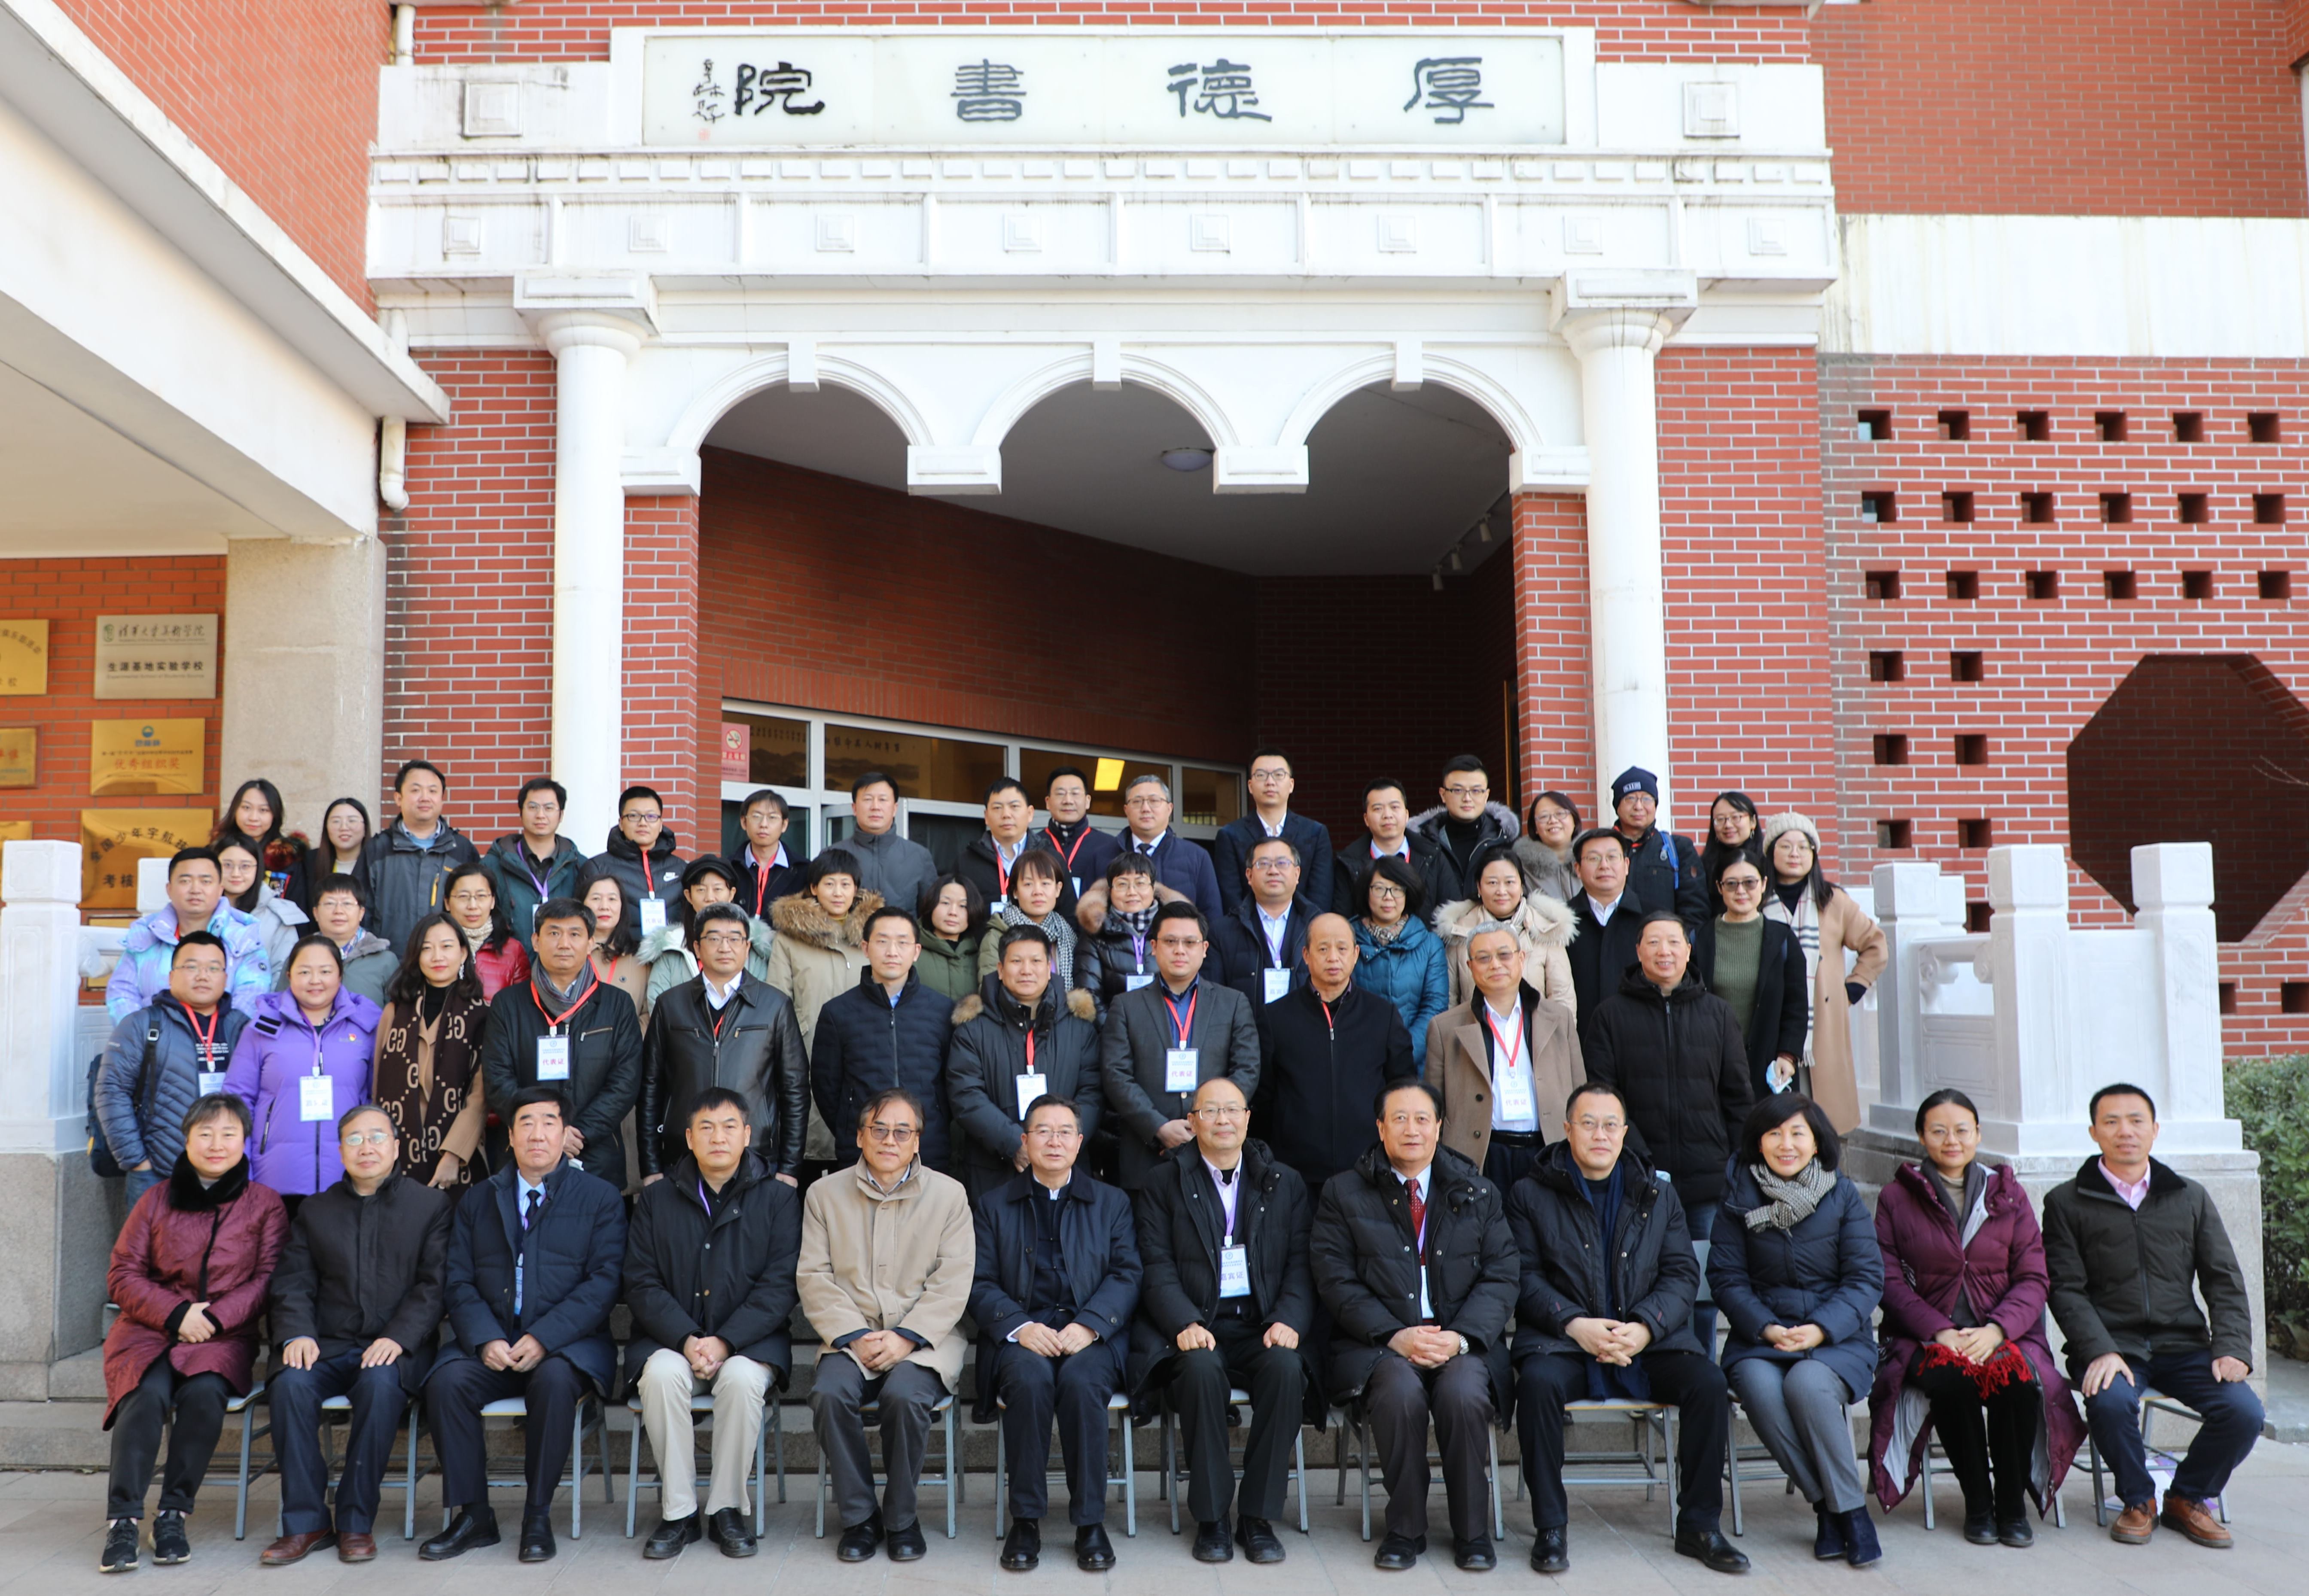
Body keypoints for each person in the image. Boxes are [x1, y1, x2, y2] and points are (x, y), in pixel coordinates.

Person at [1505, 1082, 1746, 1575]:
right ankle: (1551, 1527)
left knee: (1708, 1383)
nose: (1601, 1134)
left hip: (1649, 1342)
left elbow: (1682, 1274)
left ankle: (1699, 1525)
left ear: (1624, 1132)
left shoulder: (1657, 1191)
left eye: (1611, 1125)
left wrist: (1645, 1328)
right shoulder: (1530, 1193)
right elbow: (1522, 1277)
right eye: (1588, 1124)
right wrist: (1574, 1324)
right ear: (1567, 1129)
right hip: (1564, 1343)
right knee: (1537, 1385)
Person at [1310, 1080, 1518, 1572]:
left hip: (1461, 1341)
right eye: (1399, 1119)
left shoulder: (1477, 1191)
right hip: (1380, 1344)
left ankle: (1472, 1532)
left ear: (1439, 1127)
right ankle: (1406, 1529)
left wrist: (1460, 1337)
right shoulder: (1343, 1192)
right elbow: (1335, 1279)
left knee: (1463, 1394)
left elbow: (1503, 1274)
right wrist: (1394, 1335)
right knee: (1400, 1394)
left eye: (1422, 1119)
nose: (1412, 1129)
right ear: (1380, 1128)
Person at [2042, 1082, 2260, 1550]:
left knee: (2245, 1413)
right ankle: (2139, 1500)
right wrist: (2098, 1349)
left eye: (2137, 1120)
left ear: (2155, 1130)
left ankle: (2187, 1497)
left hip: (2183, 1344)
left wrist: (2232, 1348)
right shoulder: (2066, 1202)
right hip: (2112, 1345)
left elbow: (2223, 1279)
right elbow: (2065, 1288)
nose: (2126, 1131)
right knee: (2110, 1402)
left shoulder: (2190, 1197)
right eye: (2112, 1122)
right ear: (2094, 1132)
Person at [1867, 1088, 2084, 1547]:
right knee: (1953, 1383)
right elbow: (1888, 1280)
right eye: (1939, 1131)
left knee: (2018, 1385)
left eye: (1962, 1130)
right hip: (1926, 1338)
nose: (1952, 1140)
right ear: (1921, 1136)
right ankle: (1979, 1505)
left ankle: (2012, 1507)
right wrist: (1939, 1330)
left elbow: (2033, 1277)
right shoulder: (1896, 1198)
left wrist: (1997, 1329)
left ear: (1979, 1134)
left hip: (2004, 1334)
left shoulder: (2008, 1194)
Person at [420, 1087, 626, 1564]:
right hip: (493, 1341)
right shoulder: (478, 1199)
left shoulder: (600, 1198)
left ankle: (537, 1514)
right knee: (447, 1382)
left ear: (565, 1134)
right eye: (526, 1124)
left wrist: (545, 1337)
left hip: (567, 1345)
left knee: (553, 1381)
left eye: (549, 1123)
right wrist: (484, 1337)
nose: (537, 1134)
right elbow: (458, 1280)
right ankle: (474, 1515)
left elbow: (603, 1284)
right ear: (510, 1137)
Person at [97, 1091, 288, 1573]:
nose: (216, 1144)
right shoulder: (156, 1199)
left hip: (224, 1336)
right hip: (148, 1329)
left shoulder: (264, 1204)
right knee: (144, 1395)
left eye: (228, 1134)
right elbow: (122, 1274)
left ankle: (173, 1514)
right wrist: (177, 1313)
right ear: (186, 1141)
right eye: (205, 1133)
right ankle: (123, 1519)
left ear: (245, 1142)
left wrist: (215, 1319)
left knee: (205, 1395)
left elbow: (268, 1278)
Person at [1131, 1076, 1316, 1563]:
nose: (1223, 1120)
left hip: (1261, 1323)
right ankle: (1212, 1518)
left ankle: (1257, 1517)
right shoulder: (1163, 1182)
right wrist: (1183, 1322)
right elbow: (1155, 1265)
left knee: (1286, 1369)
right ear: (1192, 1122)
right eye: (1210, 1111)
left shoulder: (1283, 1182)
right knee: (1199, 1371)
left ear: (1248, 1118)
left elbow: (1302, 1262)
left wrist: (1289, 1317)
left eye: (1232, 1110)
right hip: (1197, 1324)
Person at [259, 1106, 452, 1566]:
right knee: (289, 1384)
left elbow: (435, 1285)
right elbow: (293, 1281)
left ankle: (354, 1521)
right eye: (355, 1139)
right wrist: (296, 1333)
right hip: (326, 1343)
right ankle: (306, 1522)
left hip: (394, 1346)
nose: (367, 1148)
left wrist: (400, 1337)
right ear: (340, 1150)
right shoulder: (316, 1210)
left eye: (377, 1137)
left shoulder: (430, 1206)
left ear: (397, 1147)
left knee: (380, 1385)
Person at [625, 1086, 804, 1560]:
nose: (718, 1138)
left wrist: (725, 1341)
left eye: (728, 1127)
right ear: (689, 1138)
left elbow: (781, 1285)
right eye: (706, 1128)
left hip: (750, 1342)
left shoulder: (778, 1199)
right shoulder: (657, 1198)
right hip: (671, 1341)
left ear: (748, 1134)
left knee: (742, 1379)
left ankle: (727, 1509)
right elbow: (641, 1282)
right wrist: (687, 1340)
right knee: (661, 1375)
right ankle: (679, 1513)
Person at [1706, 1093, 1886, 1567]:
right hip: (1761, 1339)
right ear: (1758, 1142)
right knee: (1760, 1389)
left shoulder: (1841, 1194)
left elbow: (1866, 1278)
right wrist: (1766, 1328)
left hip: (1837, 1338)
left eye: (1797, 1133)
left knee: (1808, 1384)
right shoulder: (1737, 1197)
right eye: (1774, 1134)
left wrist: (1821, 1329)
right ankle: (1831, 1506)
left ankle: (1850, 1513)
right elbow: (1726, 1278)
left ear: (1816, 1142)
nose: (1786, 1144)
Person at [800, 1088, 975, 1566]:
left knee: (904, 1396)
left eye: (902, 1132)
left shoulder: (949, 1195)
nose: (890, 1140)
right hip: (850, 1338)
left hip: (925, 1340)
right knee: (829, 1394)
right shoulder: (823, 1195)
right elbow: (814, 1276)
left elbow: (953, 1281)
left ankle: (901, 1518)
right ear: (860, 1136)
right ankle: (860, 1518)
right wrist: (855, 1336)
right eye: (879, 1129)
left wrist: (906, 1337)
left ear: (918, 1140)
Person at [970, 1095, 1141, 1574]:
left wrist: (1091, 1324)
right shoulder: (992, 1205)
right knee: (1029, 1382)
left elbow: (1127, 1274)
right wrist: (1020, 1326)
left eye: (1065, 1132)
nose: (1054, 1141)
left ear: (1080, 1143)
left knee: (1083, 1383)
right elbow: (979, 1282)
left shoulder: (1112, 1202)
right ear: (1024, 1142)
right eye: (1043, 1131)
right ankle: (1026, 1520)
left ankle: (1090, 1522)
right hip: (1024, 1332)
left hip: (1090, 1332)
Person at [1584, 911, 1752, 1349]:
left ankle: (1701, 1364)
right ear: (1638, 951)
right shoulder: (1610, 1016)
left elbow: (1738, 1097)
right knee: (1637, 1278)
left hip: (1707, 1176)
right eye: (1654, 943)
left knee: (1701, 1280)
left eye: (1674, 942)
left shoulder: (1717, 1013)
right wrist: (1639, 1157)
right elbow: (1605, 1097)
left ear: (1689, 950)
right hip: (1637, 1175)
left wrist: (1737, 1161)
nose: (1665, 952)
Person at [639, 901, 808, 1185]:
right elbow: (650, 1087)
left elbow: (795, 1089)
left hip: (757, 1157)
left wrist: (790, 1168)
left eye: (734, 939)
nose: (725, 947)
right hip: (682, 1156)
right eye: (714, 938)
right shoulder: (671, 1005)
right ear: (697, 947)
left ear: (747, 946)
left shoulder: (775, 1005)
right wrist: (651, 1165)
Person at [479, 897, 644, 1186]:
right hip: (525, 1155)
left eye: (575, 934)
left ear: (591, 943)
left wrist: (578, 1132)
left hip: (596, 1156)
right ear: (536, 940)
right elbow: (498, 1078)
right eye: (554, 933)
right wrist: (543, 1131)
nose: (564, 943)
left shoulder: (617, 1004)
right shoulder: (508, 1004)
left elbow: (625, 1081)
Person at [1100, 902, 1261, 1190]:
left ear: (1205, 948)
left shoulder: (1233, 1003)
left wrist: (1211, 1120)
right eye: (1170, 942)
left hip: (1216, 1150)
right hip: (1147, 1154)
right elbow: (1116, 1075)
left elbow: (1247, 1069)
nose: (1180, 950)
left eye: (1190, 942)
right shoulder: (1126, 1006)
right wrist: (1157, 1127)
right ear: (1153, 947)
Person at [1253, 912, 1416, 1195]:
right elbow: (1264, 1097)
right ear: (1306, 955)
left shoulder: (1383, 1015)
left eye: (1342, 948)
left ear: (1355, 954)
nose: (1333, 958)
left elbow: (1403, 1089)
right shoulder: (1276, 1017)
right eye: (1323, 948)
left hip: (1368, 1170)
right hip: (1295, 1174)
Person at [97, 932, 256, 1207]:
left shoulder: (241, 1026)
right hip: (158, 1170)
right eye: (192, 967)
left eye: (213, 968)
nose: (203, 976)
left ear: (225, 978)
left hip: (228, 1168)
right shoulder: (142, 1025)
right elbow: (112, 1091)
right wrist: (137, 1161)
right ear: (171, 977)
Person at [222, 936, 382, 1208]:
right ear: (289, 976)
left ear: (340, 976)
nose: (315, 981)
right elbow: (237, 1100)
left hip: (349, 1176)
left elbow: (376, 1098)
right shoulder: (262, 1028)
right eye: (305, 972)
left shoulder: (366, 1026)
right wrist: (241, 1166)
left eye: (325, 971)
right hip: (275, 1178)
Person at [947, 924, 1103, 1201]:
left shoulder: (1079, 1027)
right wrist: (1015, 1143)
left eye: (1036, 961)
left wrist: (1061, 1142)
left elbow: (1093, 1092)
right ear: (1000, 969)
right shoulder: (973, 1029)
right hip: (995, 1169)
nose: (1027, 970)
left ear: (1050, 967)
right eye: (1017, 961)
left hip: (1065, 1167)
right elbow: (966, 1095)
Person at [1427, 926, 1584, 1192]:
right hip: (1480, 1155)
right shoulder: (1445, 1028)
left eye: (1504, 955)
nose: (1495, 965)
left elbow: (1580, 1092)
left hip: (1548, 1150)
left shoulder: (1559, 1018)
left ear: (1522, 959)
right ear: (1470, 967)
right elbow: (1435, 1108)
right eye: (1484, 958)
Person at [1758, 814, 1887, 1133]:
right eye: (1786, 846)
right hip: (1771, 1017)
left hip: (1822, 1023)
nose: (1795, 854)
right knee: (1774, 1114)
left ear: (1814, 854)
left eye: (1804, 847)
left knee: (1824, 1117)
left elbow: (1875, 945)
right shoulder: (1757, 900)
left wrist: (1853, 988)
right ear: (1771, 852)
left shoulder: (1833, 901)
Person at [811, 905, 955, 1175]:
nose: (892, 952)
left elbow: (951, 1083)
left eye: (902, 943)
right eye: (882, 942)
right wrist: (853, 1125)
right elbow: (826, 1088)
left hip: (928, 1147)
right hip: (861, 1150)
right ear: (866, 948)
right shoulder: (837, 1012)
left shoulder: (942, 1010)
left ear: (917, 951)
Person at [765, 849, 881, 1172]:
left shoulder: (874, 937)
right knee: (807, 1155)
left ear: (857, 889)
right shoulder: (789, 939)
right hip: (805, 1052)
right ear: (814, 888)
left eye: (846, 884)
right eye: (830, 884)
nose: (838, 892)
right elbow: (777, 1002)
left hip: (865, 1053)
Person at [372, 912, 491, 1190]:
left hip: (458, 1156)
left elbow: (480, 1097)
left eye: (447, 946)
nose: (437, 956)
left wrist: (454, 1155)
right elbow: (378, 1088)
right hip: (398, 1152)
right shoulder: (394, 1012)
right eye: (427, 948)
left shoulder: (482, 1015)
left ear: (463, 953)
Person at [105, 846, 270, 1021]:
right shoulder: (145, 937)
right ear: (169, 889)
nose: (195, 890)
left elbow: (251, 998)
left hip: (221, 1037)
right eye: (185, 881)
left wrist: (214, 1034)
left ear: (220, 889)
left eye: (205, 881)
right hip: (152, 1035)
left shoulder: (243, 940)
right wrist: (140, 1032)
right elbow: (122, 993)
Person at [1694, 855, 1809, 1100]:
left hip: (1769, 1066)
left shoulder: (1783, 940)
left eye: (1750, 883)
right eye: (1731, 884)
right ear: (1719, 888)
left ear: (1764, 884)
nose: (1741, 891)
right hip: (1710, 1066)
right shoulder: (1699, 940)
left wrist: (1788, 1055)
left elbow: (1796, 1007)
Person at [1434, 839, 1576, 1015]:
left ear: (1522, 886)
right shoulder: (1461, 932)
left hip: (1535, 1032)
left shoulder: (1546, 930)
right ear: (1479, 887)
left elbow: (1563, 999)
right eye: (1492, 883)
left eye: (1509, 882)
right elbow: (1449, 1000)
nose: (1501, 891)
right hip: (1475, 1031)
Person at [354, 760, 480, 950]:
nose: (425, 798)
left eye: (433, 791)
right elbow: (360, 911)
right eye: (416, 790)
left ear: (442, 799)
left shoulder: (461, 849)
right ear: (398, 798)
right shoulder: (378, 849)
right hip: (390, 960)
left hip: (446, 959)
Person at [1348, 856, 1450, 1074]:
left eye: (1397, 890)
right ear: (1366, 892)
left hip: (1413, 1064)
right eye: (1379, 889)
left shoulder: (1430, 944)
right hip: (1358, 1061)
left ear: (1408, 893)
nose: (1388, 897)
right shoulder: (1346, 940)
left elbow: (1435, 1006)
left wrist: (1403, 1052)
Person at [1213, 748, 1335, 917]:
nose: (1270, 782)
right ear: (1250, 786)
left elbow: (1321, 896)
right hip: (1247, 928)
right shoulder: (1230, 835)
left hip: (1305, 929)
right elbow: (1231, 897)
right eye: (1261, 775)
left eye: (1278, 775)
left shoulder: (1315, 833)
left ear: (1291, 785)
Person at [641, 855, 772, 1013]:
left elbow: (763, 1004)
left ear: (732, 894)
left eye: (718, 889)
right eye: (701, 890)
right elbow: (659, 1006)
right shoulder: (671, 946)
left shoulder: (752, 945)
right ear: (689, 896)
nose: (710, 898)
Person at [975, 849, 1098, 1010]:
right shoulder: (998, 934)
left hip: (1063, 1021)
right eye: (1028, 884)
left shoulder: (1068, 935)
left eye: (1045, 884)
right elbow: (991, 995)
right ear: (1015, 891)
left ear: (1058, 889)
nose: (1038, 892)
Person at [1210, 836, 1316, 1009]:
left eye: (1282, 863)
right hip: (1244, 1026)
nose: (1273, 871)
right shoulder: (1222, 932)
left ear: (1297, 874)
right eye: (1264, 864)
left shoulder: (1319, 928)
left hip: (1306, 1025)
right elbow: (1213, 1000)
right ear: (1249, 875)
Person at [481, 777, 585, 952]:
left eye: (549, 808)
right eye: (533, 807)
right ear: (521, 812)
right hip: (510, 963)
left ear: (561, 815)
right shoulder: (492, 865)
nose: (540, 815)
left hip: (565, 962)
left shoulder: (579, 865)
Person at [579, 784, 688, 945]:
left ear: (661, 824)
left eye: (651, 817)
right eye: (634, 816)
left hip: (671, 954)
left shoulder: (681, 868)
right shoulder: (597, 867)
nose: (643, 823)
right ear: (621, 823)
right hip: (618, 954)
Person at [1407, 755, 1519, 909]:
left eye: (1476, 791)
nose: (1467, 798)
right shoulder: (1422, 842)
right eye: (1458, 790)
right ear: (1443, 794)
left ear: (1486, 795)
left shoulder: (1504, 839)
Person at [1605, 767, 1708, 933]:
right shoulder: (1601, 849)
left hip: (1663, 944)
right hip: (1614, 943)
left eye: (1646, 799)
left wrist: (1679, 942)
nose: (1639, 806)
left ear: (1655, 805)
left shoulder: (1679, 848)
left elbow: (1695, 909)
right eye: (1630, 799)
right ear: (1617, 806)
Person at [1333, 777, 1450, 921]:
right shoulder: (1348, 863)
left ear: (1407, 815)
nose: (1387, 815)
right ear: (1366, 819)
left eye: (1394, 807)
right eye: (1378, 809)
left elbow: (1450, 912)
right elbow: (1342, 921)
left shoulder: (1433, 855)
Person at [1563, 829, 1643, 1036]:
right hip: (1578, 1038)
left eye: (1612, 857)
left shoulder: (1652, 919)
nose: (1604, 865)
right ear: (1578, 869)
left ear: (1626, 865)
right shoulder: (1561, 922)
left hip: (1639, 1037)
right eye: (1594, 858)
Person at [1112, 773, 1223, 921]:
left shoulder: (1197, 856)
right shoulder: (1106, 853)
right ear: (1126, 810)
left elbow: (1213, 917)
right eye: (1137, 802)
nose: (1146, 808)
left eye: (1154, 801)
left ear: (1170, 809)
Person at [839, 770, 938, 918]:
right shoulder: (835, 854)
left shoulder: (919, 856)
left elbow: (931, 915)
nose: (875, 807)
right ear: (854, 808)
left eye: (883, 800)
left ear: (895, 808)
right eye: (868, 799)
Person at [217, 835, 309, 978]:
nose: (236, 874)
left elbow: (283, 973)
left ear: (258, 868)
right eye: (227, 865)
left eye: (245, 866)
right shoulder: (199, 911)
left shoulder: (278, 917)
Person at [213, 776, 312, 910]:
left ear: (275, 815)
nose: (254, 818)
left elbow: (298, 910)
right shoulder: (216, 853)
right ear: (235, 810)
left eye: (263, 810)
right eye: (246, 808)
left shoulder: (287, 859)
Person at [1080, 851, 1161, 1009]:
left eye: (1140, 883)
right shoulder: (1096, 933)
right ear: (1110, 890)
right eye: (1122, 884)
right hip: (1112, 1023)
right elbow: (1090, 995)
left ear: (1153, 889)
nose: (1132, 892)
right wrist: (1116, 1025)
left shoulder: (1169, 930)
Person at [442, 859, 531, 999]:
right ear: (447, 902)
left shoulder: (513, 951)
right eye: (463, 897)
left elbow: (522, 1005)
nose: (473, 906)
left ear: (493, 901)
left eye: (481, 896)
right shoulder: (432, 945)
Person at [1031, 765, 1121, 902]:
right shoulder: (1033, 844)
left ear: (1087, 801)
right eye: (1060, 794)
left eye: (1075, 793)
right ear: (1048, 802)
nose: (1068, 801)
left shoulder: (1110, 846)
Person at [308, 873, 396, 1006]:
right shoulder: (301, 957)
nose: (339, 911)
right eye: (330, 903)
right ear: (316, 913)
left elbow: (397, 1013)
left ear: (361, 913)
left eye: (347, 904)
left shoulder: (385, 961)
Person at [958, 777, 1042, 913]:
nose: (1006, 815)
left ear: (1030, 814)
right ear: (986, 816)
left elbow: (1067, 915)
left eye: (1014, 807)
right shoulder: (967, 862)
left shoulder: (1049, 858)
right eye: (997, 808)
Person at [730, 788, 809, 918]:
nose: (764, 824)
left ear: (784, 825)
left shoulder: (803, 871)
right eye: (757, 817)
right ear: (744, 822)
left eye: (772, 818)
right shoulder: (729, 868)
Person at [580, 874, 649, 1015]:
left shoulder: (641, 958)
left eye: (612, 899)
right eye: (596, 899)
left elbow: (648, 1014)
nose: (604, 907)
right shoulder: (569, 953)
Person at [915, 873, 989, 1002]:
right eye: (945, 903)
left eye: (963, 906)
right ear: (931, 904)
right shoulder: (912, 952)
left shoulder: (981, 955)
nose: (953, 912)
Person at [1510, 790, 1582, 907]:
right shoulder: (1521, 868)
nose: (1553, 821)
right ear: (1535, 828)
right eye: (1544, 817)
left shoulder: (1594, 859)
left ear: (1575, 820)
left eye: (1560, 814)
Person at [1697, 791, 1764, 916]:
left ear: (1753, 822)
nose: (1728, 825)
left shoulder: (1768, 860)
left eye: (1736, 817)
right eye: (1720, 819)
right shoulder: (1703, 866)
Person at [317, 798, 371, 886]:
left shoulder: (380, 865)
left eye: (352, 821)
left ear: (365, 828)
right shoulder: (310, 864)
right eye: (336, 821)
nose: (344, 828)